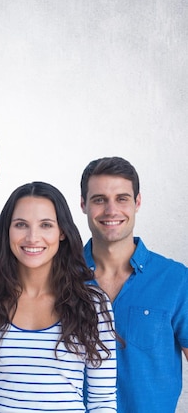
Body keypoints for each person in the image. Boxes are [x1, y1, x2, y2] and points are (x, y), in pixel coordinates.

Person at [0, 181, 117, 412]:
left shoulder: (93, 305)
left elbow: (102, 402)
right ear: (7, 231)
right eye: (21, 225)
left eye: (46, 225)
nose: (33, 237)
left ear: (62, 232)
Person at [80, 156, 188, 413]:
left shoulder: (175, 279)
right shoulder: (61, 277)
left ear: (137, 202)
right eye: (99, 199)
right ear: (83, 204)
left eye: (122, 198)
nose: (111, 210)